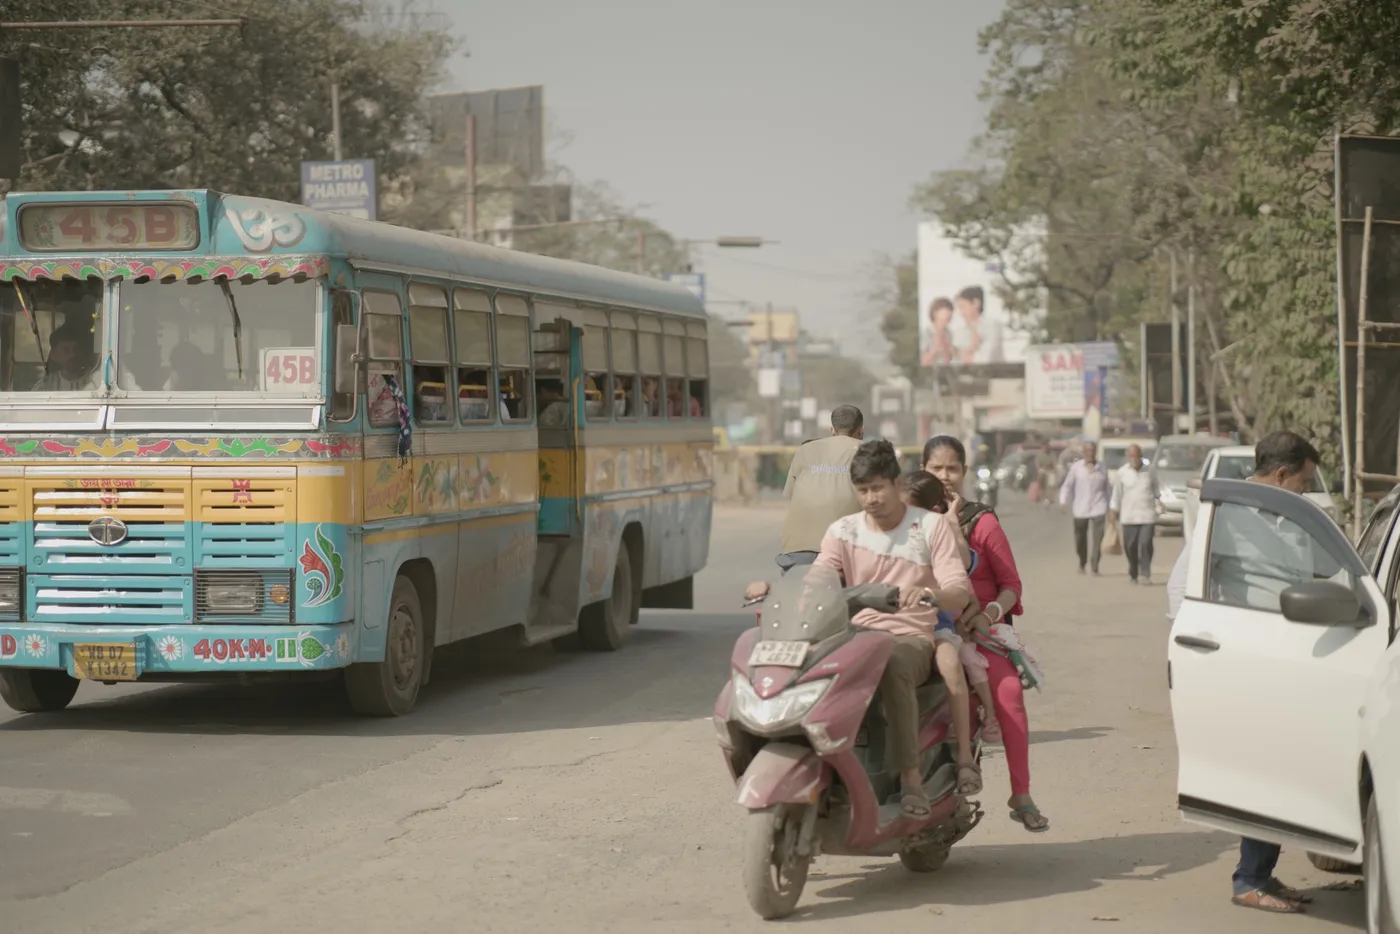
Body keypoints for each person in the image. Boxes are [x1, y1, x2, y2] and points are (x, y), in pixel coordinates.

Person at [1166, 430, 1321, 914]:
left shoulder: (1288, 517)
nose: (1305, 491)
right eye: (1302, 482)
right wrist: (1200, 653)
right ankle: (1249, 879)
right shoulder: (1227, 516)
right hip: (1248, 663)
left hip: (1288, 661)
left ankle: (1263, 875)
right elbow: (1178, 588)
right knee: (1266, 773)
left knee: (1283, 770)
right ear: (1279, 475)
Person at [813, 441, 974, 815]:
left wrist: (932, 595)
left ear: (897, 483)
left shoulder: (930, 527)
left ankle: (910, 779)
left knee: (892, 664)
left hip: (911, 637)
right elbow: (819, 577)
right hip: (855, 635)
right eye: (863, 490)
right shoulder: (842, 531)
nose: (871, 498)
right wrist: (777, 588)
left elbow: (958, 590)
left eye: (878, 488)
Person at [923, 434, 1048, 832]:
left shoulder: (982, 521)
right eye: (936, 468)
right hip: (926, 625)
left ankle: (1021, 792)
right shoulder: (907, 518)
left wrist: (989, 613)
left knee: (1008, 691)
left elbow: (1012, 585)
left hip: (980, 630)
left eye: (952, 468)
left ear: (964, 472)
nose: (945, 476)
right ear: (922, 470)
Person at [901, 471, 1000, 751]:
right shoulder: (885, 535)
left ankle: (966, 748)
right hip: (895, 623)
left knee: (953, 664)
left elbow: (963, 569)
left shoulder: (940, 538)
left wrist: (951, 522)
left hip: (938, 626)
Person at [777, 405, 865, 559]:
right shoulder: (867, 451)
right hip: (844, 549)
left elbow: (791, 495)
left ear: (832, 430)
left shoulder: (805, 450)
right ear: (860, 430)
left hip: (796, 548)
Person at [1059, 440, 1110, 575]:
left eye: (1092, 451)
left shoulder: (1102, 467)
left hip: (1099, 507)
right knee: (1080, 538)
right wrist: (1063, 501)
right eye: (1087, 451)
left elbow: (1107, 489)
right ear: (1083, 453)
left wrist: (1111, 508)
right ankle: (1082, 562)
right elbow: (1067, 486)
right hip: (1080, 509)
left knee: (1098, 538)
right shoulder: (1076, 468)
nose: (1090, 454)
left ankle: (1095, 565)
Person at [1111, 443, 1159, 584]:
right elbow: (1116, 494)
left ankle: (1145, 573)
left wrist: (1159, 502)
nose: (1133, 458)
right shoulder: (1122, 473)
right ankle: (1133, 570)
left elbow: (1156, 489)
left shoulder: (1150, 470)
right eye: (1131, 455)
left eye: (1136, 455)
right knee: (1130, 546)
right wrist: (1113, 511)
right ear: (1127, 456)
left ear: (1141, 456)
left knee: (1145, 543)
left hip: (1147, 515)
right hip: (1128, 517)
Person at [32, 322, 100, 391]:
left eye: (76, 349)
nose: (73, 354)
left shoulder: (95, 381)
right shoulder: (45, 386)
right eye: (66, 350)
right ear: (54, 355)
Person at [952, 285, 1004, 365]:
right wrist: (971, 349)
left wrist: (966, 354)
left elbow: (986, 359)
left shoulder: (993, 325)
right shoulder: (960, 331)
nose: (961, 313)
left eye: (963, 307)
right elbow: (955, 361)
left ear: (976, 303)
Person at [919, 297, 956, 367]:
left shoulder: (949, 333)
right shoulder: (925, 333)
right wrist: (934, 348)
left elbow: (949, 360)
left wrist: (947, 348)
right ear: (935, 313)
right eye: (944, 311)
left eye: (950, 311)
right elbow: (922, 362)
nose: (948, 314)